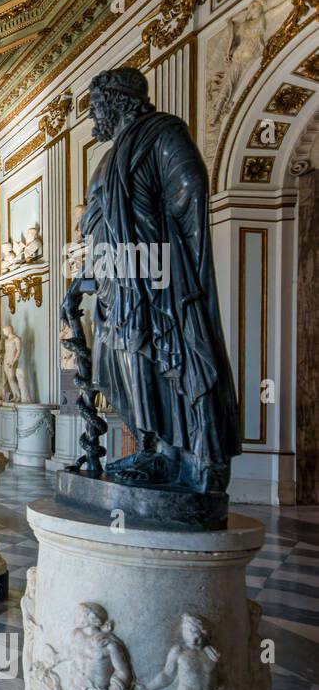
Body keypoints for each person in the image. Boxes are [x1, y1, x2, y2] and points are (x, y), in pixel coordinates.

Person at [82, 67, 240, 492]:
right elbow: (95, 226)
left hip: (152, 279)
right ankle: (152, 447)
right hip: (114, 283)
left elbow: (188, 189)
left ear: (118, 101)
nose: (93, 114)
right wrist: (82, 283)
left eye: (97, 104)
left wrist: (170, 257)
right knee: (119, 366)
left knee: (155, 357)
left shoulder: (163, 133)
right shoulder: (109, 157)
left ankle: (175, 454)